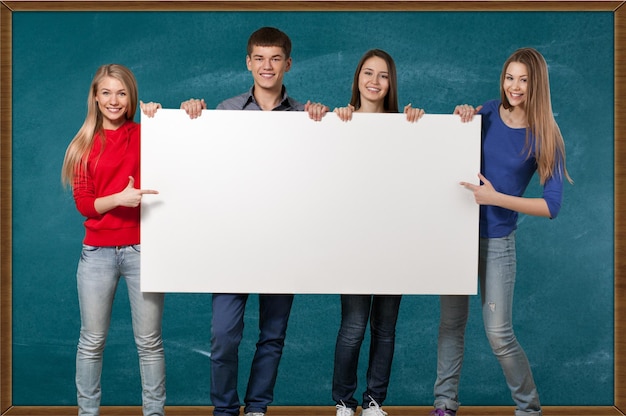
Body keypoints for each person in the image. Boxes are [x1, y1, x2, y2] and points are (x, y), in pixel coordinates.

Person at [180, 27, 328, 416]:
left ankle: (259, 407)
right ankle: (225, 410)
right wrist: (190, 118)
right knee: (223, 336)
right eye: (259, 58)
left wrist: (328, 124)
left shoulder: (306, 116)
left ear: (288, 64)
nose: (267, 66)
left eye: (275, 58)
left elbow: (323, 173)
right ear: (248, 62)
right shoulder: (223, 112)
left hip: (284, 243)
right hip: (234, 242)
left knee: (272, 335)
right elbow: (200, 164)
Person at [430, 47, 572, 416]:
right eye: (510, 77)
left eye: (524, 79)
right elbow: (451, 149)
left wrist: (497, 198)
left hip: (497, 243)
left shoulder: (546, 133)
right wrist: (461, 116)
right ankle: (444, 404)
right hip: (456, 234)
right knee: (451, 325)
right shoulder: (489, 112)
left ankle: (528, 409)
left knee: (498, 334)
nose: (515, 86)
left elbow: (551, 205)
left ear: (537, 83)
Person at [61, 64, 165, 416]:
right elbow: (85, 205)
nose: (113, 100)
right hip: (97, 254)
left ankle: (154, 413)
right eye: (106, 92)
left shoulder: (145, 133)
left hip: (142, 251)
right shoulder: (83, 144)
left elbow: (180, 153)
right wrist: (119, 199)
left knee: (149, 343)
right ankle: (87, 413)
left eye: (121, 93)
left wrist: (157, 117)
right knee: (91, 342)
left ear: (131, 97)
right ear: (95, 96)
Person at [331, 49, 424, 416]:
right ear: (357, 79)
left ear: (391, 84)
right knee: (353, 326)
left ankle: (373, 402)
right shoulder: (340, 121)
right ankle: (343, 401)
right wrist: (333, 122)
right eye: (367, 73)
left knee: (385, 327)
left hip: (394, 240)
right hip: (352, 242)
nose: (374, 81)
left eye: (383, 75)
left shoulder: (406, 124)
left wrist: (417, 123)